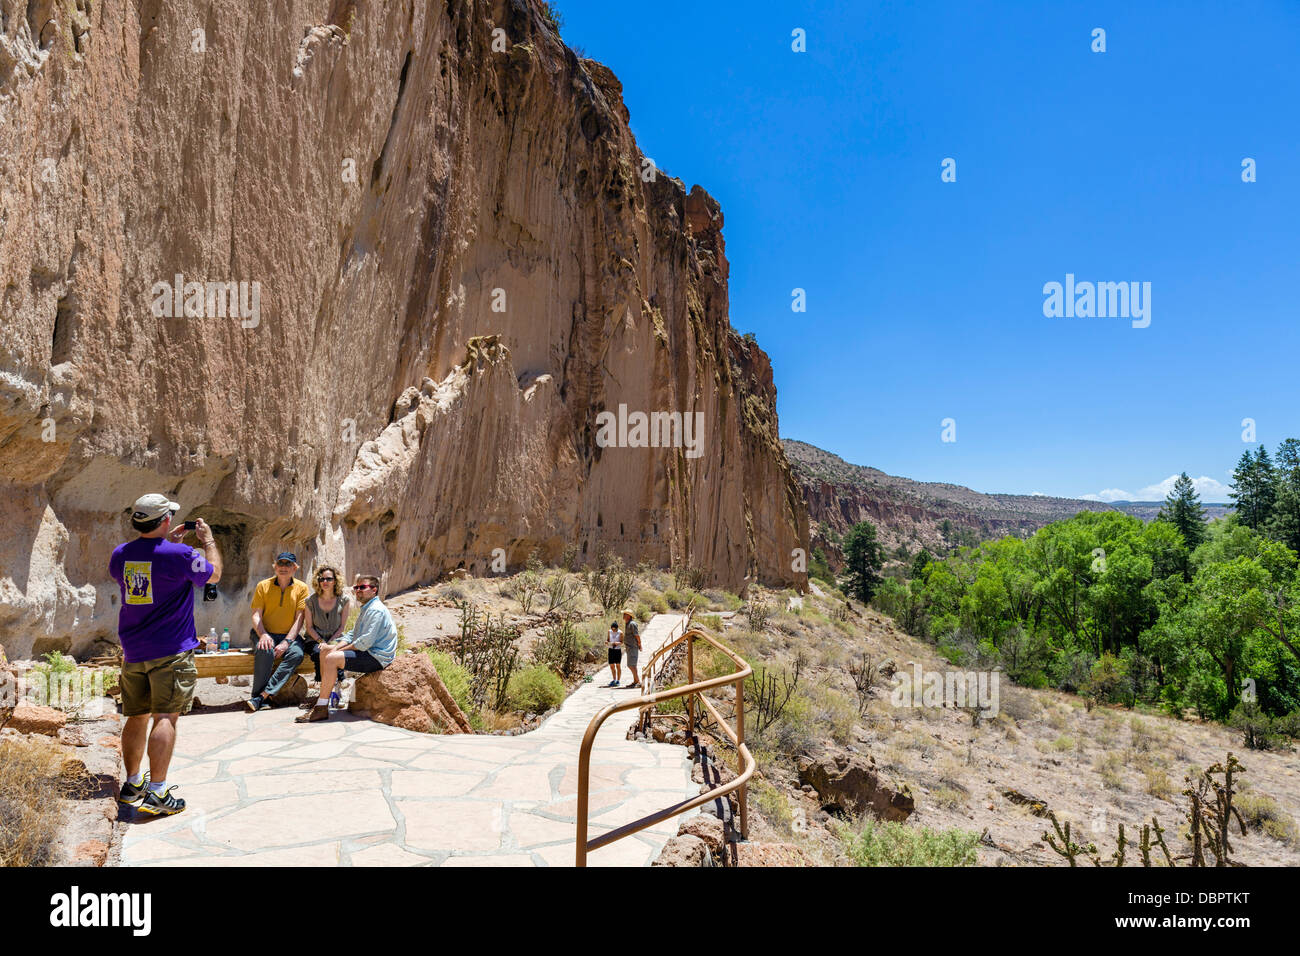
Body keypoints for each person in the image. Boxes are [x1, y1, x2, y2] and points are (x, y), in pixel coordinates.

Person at [108, 494, 221, 817]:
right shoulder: (182, 554)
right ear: (165, 521)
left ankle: (132, 784)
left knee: (137, 715)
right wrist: (208, 542)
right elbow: (213, 575)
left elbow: (144, 576)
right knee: (165, 717)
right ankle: (157, 792)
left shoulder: (120, 554)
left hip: (133, 649)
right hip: (170, 649)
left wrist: (164, 545)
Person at [247, 564, 349, 712]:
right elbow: (309, 627)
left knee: (302, 654)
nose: (325, 581)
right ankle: (261, 696)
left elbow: (341, 628)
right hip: (298, 637)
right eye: (322, 579)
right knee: (267, 650)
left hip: (329, 638)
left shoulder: (340, 599)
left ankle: (334, 691)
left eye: (329, 578)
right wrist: (263, 634)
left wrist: (329, 643)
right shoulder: (309, 600)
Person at [298, 574, 396, 723]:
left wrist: (338, 652)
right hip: (368, 651)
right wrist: (335, 647)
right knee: (325, 651)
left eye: (363, 587)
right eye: (356, 587)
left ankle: (321, 707)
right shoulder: (367, 607)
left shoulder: (375, 610)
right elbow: (353, 634)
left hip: (377, 657)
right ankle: (327, 696)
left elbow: (364, 642)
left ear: (374, 590)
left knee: (332, 658)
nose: (358, 590)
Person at [248, 552, 309, 704]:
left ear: (295, 568)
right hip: (263, 632)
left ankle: (264, 695)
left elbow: (299, 619)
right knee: (265, 650)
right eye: (280, 563)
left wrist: (287, 642)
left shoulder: (301, 588)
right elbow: (256, 615)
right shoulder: (263, 586)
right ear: (275, 567)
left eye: (288, 564)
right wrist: (263, 635)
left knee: (297, 654)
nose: (283, 567)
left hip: (288, 635)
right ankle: (257, 696)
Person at [622, 609, 642, 688]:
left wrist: (639, 644)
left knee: (631, 665)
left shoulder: (632, 624)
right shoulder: (628, 623)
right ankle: (635, 681)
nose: (623, 616)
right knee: (631, 664)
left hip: (633, 647)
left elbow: (637, 635)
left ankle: (638, 681)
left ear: (628, 616)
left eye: (625, 614)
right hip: (629, 647)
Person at [606, 620, 622, 687]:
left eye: (614, 629)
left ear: (617, 628)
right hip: (611, 649)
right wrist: (606, 642)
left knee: (618, 665)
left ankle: (618, 680)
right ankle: (614, 679)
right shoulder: (609, 632)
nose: (613, 630)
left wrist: (616, 643)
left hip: (617, 650)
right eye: (612, 629)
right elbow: (608, 639)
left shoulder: (620, 633)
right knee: (612, 665)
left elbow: (621, 642)